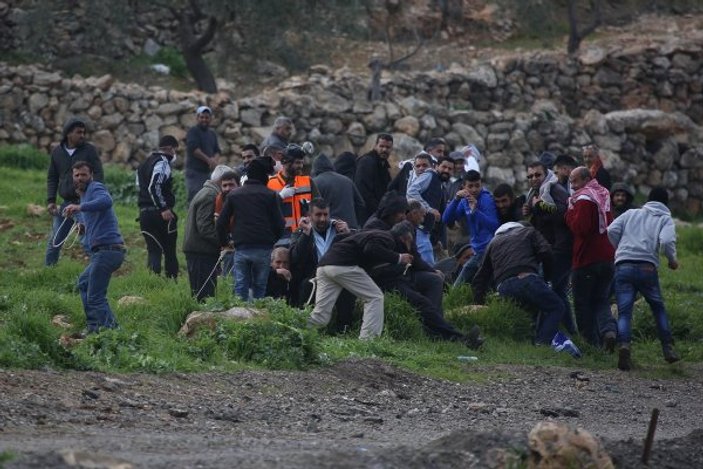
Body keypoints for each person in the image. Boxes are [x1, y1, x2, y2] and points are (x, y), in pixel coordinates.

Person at [472, 222, 581, 357]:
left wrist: (480, 303)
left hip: (504, 287)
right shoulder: (529, 232)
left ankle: (523, 344)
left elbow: (480, 277)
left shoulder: (493, 243)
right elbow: (546, 251)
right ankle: (542, 343)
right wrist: (547, 278)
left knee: (530, 314)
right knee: (556, 306)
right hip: (527, 279)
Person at [371, 221, 484, 348]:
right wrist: (398, 258)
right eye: (407, 240)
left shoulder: (406, 238)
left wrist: (433, 271)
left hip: (405, 276)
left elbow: (416, 260)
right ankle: (459, 338)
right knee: (422, 303)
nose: (409, 243)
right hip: (389, 280)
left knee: (434, 280)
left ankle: (436, 329)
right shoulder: (385, 240)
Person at [607, 187, 680, 370]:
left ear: (648, 199)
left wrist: (620, 250)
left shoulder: (631, 213)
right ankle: (668, 348)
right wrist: (672, 260)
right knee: (658, 308)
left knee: (624, 312)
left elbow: (611, 230)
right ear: (665, 202)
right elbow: (666, 241)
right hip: (647, 268)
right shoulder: (665, 218)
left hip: (623, 266)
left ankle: (624, 345)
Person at [307, 227, 411, 339]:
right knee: (375, 297)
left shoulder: (371, 233)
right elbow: (372, 248)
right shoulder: (387, 238)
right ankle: (368, 341)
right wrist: (399, 258)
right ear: (403, 238)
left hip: (324, 266)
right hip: (343, 265)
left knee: (321, 315)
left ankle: (294, 329)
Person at [63, 161, 124, 334]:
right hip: (102, 252)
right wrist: (81, 227)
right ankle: (93, 327)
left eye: (84, 174)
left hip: (109, 251)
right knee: (83, 283)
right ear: (72, 177)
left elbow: (106, 201)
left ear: (91, 176)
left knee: (96, 297)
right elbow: (88, 221)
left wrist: (79, 207)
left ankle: (116, 334)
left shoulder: (96, 188)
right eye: (77, 175)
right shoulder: (83, 196)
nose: (80, 178)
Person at [217, 158, 285, 301]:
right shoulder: (271, 195)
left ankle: (240, 317)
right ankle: (257, 315)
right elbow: (280, 224)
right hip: (263, 248)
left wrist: (225, 242)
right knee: (259, 287)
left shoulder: (234, 195)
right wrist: (271, 240)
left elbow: (221, 222)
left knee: (240, 285)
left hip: (241, 248)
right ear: (263, 176)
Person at [565, 166, 617, 349]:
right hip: (607, 257)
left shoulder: (584, 199)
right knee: (601, 299)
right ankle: (608, 331)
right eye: (570, 182)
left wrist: (569, 213)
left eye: (575, 181)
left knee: (582, 303)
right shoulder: (603, 194)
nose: (572, 186)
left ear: (586, 180)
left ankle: (591, 345)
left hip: (587, 258)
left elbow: (581, 228)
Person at [522, 160, 575, 333]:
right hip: (551, 248)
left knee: (546, 290)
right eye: (530, 176)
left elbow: (564, 213)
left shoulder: (554, 189)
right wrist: (529, 210)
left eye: (538, 175)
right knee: (558, 291)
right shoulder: (535, 193)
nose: (534, 179)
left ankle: (543, 332)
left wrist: (540, 206)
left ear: (546, 174)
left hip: (560, 248)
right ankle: (570, 331)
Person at [289, 199, 356, 332]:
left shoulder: (339, 229)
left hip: (337, 274)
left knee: (347, 289)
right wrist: (306, 235)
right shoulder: (301, 231)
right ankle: (305, 328)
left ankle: (344, 330)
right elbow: (295, 258)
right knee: (306, 286)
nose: (322, 219)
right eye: (318, 215)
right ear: (310, 215)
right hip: (313, 276)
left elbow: (355, 252)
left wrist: (347, 234)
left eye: (325, 214)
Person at [45, 117, 104, 266]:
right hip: (66, 205)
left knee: (88, 240)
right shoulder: (57, 152)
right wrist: (51, 200)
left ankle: (98, 270)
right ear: (68, 134)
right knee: (55, 240)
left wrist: (94, 196)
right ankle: (48, 272)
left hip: (84, 205)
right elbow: (52, 177)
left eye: (84, 132)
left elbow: (98, 173)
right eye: (79, 132)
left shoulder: (89, 150)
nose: (82, 135)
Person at [183, 168, 238, 301]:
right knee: (204, 295)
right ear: (220, 181)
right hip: (201, 251)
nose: (228, 188)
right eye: (225, 184)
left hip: (199, 250)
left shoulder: (207, 192)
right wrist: (224, 242)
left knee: (200, 292)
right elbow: (205, 227)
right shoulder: (210, 195)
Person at [442, 170, 500, 286]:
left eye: (477, 186)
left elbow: (494, 226)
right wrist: (456, 199)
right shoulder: (464, 200)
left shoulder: (486, 199)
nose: (474, 190)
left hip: (489, 250)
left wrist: (475, 212)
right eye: (470, 186)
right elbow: (447, 219)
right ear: (464, 186)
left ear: (481, 184)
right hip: (476, 249)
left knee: (459, 285)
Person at [137, 135, 179, 279]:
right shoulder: (163, 163)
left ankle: (152, 284)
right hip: (160, 214)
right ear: (171, 148)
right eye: (175, 150)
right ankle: (171, 284)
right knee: (169, 252)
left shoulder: (143, 164)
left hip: (144, 214)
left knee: (153, 251)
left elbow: (140, 187)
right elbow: (154, 186)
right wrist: (163, 208)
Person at [267, 144, 317, 237]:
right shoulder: (270, 183)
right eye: (297, 163)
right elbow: (265, 210)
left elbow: (318, 206)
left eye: (302, 163)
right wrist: (280, 197)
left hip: (304, 235)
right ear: (286, 163)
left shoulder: (308, 181)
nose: (301, 166)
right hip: (280, 237)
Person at [311, 154, 365, 229]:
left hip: (331, 229)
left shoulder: (315, 182)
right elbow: (361, 205)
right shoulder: (347, 180)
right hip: (350, 228)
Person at [185, 105, 221, 203]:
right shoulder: (193, 131)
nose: (204, 119)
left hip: (207, 173)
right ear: (197, 118)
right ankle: (191, 218)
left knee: (208, 199)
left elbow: (217, 150)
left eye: (207, 117)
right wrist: (209, 160)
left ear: (210, 119)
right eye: (202, 117)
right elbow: (194, 149)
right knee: (195, 199)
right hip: (194, 172)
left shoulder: (212, 134)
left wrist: (215, 161)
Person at [355, 133, 393, 224]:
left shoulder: (383, 166)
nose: (384, 149)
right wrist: (378, 211)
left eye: (387, 147)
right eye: (381, 146)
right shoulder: (367, 162)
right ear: (375, 146)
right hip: (366, 215)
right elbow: (362, 190)